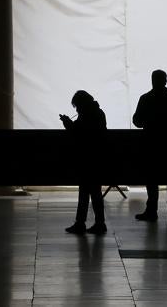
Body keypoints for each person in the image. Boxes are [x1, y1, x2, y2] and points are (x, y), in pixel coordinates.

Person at [132, 69, 167, 222]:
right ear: (165, 81)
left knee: (152, 180)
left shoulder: (145, 99)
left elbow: (137, 121)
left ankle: (152, 210)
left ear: (152, 81)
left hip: (151, 144)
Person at [60, 90, 108, 234]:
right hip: (96, 157)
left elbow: (79, 133)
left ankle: (82, 223)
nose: (76, 109)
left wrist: (68, 123)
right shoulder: (97, 113)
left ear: (81, 103)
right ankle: (98, 223)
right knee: (94, 192)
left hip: (88, 158)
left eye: (76, 106)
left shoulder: (87, 115)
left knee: (86, 193)